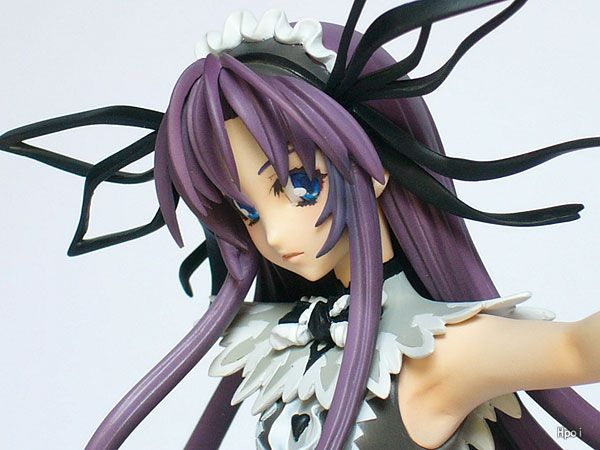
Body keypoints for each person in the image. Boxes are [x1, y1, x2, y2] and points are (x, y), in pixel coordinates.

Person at [1, 1, 599, 449]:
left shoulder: (439, 355)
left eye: (301, 186)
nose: (276, 236)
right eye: (247, 211)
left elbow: (577, 347)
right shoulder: (278, 337)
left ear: (371, 168)